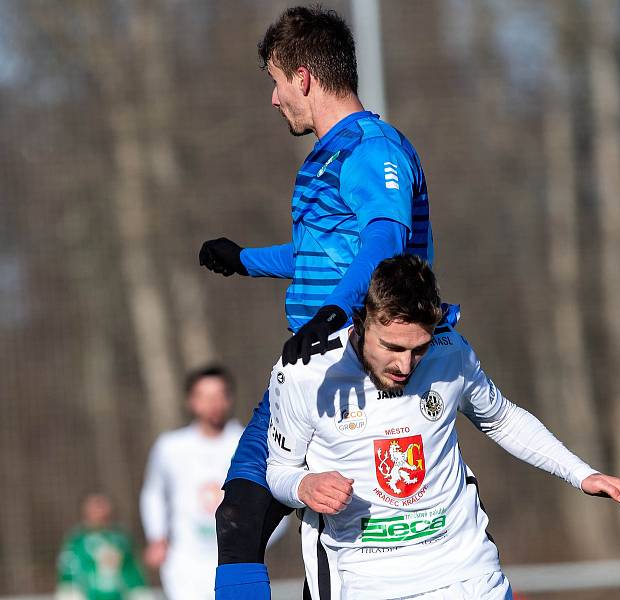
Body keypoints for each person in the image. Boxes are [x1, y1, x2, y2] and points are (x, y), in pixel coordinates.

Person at [198, 6, 433, 598]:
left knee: (346, 555)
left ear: (303, 76)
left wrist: (338, 311)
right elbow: (320, 252)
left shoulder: (372, 149)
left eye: (277, 82)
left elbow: (385, 236)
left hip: (360, 372)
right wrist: (245, 259)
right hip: (305, 370)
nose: (275, 100)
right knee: (240, 517)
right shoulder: (329, 153)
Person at [266, 255, 620, 600]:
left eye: (419, 349)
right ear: (363, 320)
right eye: (393, 347)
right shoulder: (304, 375)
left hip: (468, 571)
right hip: (368, 581)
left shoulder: (451, 352)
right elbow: (279, 471)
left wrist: (582, 474)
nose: (406, 365)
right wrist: (305, 486)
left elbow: (502, 418)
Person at [140, 365, 249, 600]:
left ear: (229, 399)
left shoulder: (246, 443)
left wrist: (261, 539)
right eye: (205, 396)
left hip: (234, 561)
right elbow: (153, 493)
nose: (213, 403)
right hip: (185, 563)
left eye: (220, 395)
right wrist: (156, 536)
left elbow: (267, 495)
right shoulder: (170, 446)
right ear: (192, 401)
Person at [56, 493, 151, 600]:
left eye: (103, 505)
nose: (101, 510)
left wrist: (140, 593)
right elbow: (69, 574)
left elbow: (132, 571)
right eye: (96, 505)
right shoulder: (77, 541)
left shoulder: (121, 539)